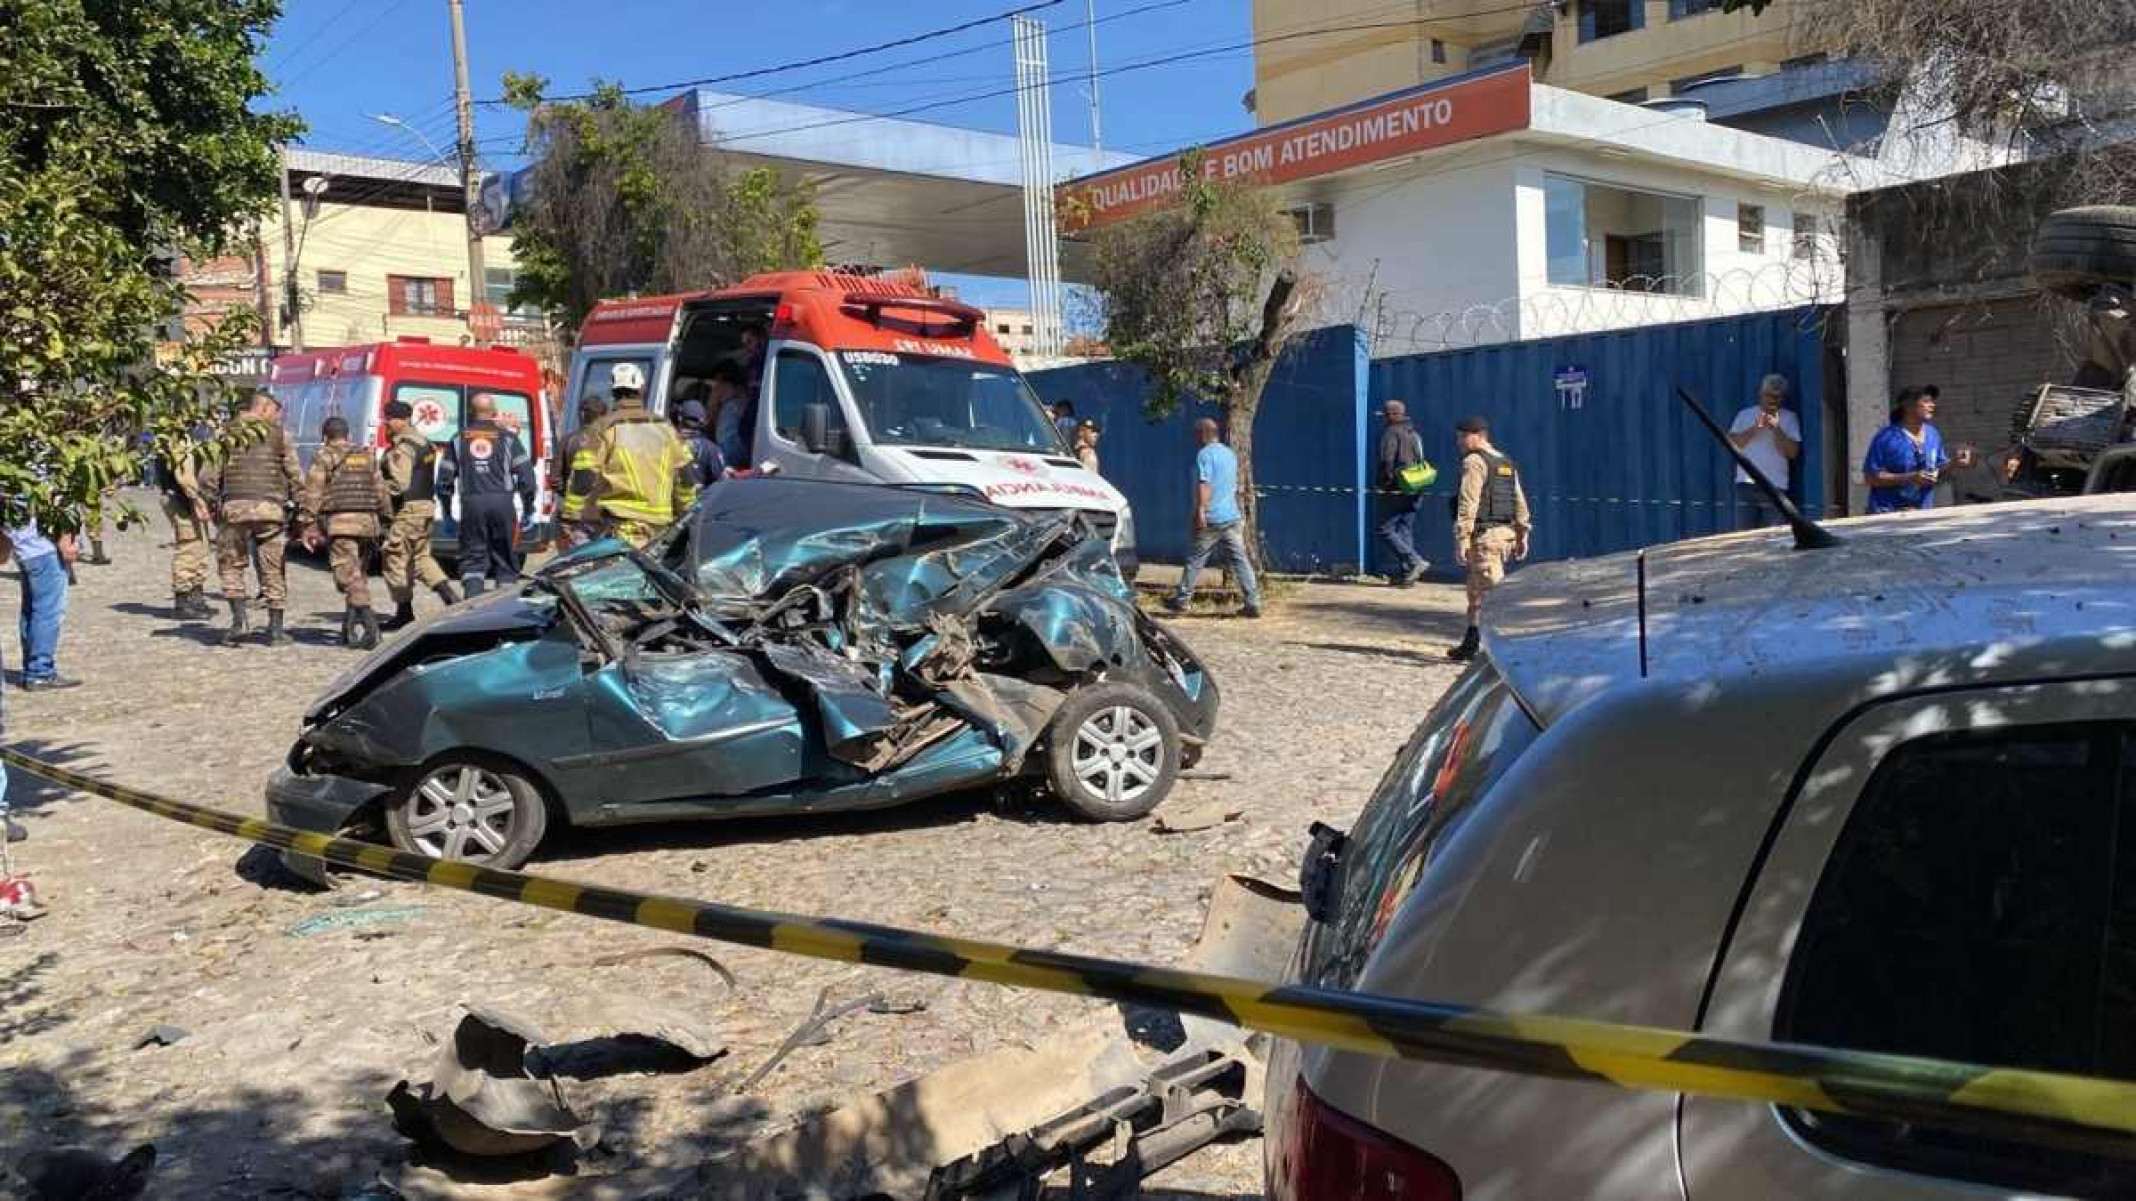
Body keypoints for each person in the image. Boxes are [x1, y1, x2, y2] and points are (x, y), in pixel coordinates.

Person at [561, 361, 700, 547]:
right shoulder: (666, 429)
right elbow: (686, 477)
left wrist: (571, 516)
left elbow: (584, 477)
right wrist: (686, 512)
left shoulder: (602, 429)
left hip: (619, 531)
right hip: (660, 533)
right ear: (642, 390)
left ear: (613, 392)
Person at [206, 390, 303, 646]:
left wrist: (209, 502)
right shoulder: (281, 435)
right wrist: (302, 512)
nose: (276, 416)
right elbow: (294, 475)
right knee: (273, 568)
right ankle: (275, 630)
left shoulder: (225, 434)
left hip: (234, 509)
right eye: (273, 411)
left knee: (231, 566)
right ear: (261, 408)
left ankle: (239, 622)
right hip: (270, 510)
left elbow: (209, 476)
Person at [297, 416, 395, 649]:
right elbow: (381, 490)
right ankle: (348, 629)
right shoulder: (366, 456)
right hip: (368, 524)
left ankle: (371, 628)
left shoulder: (324, 456)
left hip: (342, 523)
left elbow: (313, 491)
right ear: (348, 435)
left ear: (325, 437)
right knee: (357, 576)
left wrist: (306, 522)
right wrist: (387, 518)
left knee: (348, 578)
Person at [1447, 415, 1530, 663]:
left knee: (1494, 593)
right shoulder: (1504, 461)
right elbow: (1519, 499)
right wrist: (1522, 532)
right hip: (1503, 535)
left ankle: (1509, 649)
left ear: (1477, 436)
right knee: (1476, 593)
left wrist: (1461, 537)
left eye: (1462, 437)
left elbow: (1468, 501)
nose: (1459, 442)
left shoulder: (1474, 461)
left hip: (1485, 537)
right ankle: (1471, 644)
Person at [437, 392, 537, 595]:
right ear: (494, 412)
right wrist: (528, 508)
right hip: (503, 503)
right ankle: (503, 612)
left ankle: (471, 610)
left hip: (472, 504)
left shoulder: (458, 439)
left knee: (473, 560)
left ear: (472, 412)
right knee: (505, 559)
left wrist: (447, 514)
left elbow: (444, 481)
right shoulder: (509, 439)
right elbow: (527, 478)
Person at [1163, 418, 1261, 619]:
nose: (1194, 438)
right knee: (1240, 559)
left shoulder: (1205, 455)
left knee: (1195, 560)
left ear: (1202, 434)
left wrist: (1200, 510)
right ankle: (1252, 601)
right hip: (1231, 516)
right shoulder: (1230, 455)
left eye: (1196, 434)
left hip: (1212, 517)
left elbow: (1204, 484)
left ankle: (1182, 600)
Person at [378, 401, 460, 630]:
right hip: (424, 507)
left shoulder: (403, 447)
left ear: (398, 419)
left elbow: (400, 483)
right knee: (421, 557)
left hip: (408, 510)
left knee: (394, 557)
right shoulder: (424, 442)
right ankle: (450, 597)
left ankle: (404, 612)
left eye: (388, 419)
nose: (387, 424)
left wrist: (379, 489)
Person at [6, 516, 78, 690]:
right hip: (43, 548)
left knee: (31, 612)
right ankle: (40, 671)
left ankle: (32, 668)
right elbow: (58, 504)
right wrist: (67, 541)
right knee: (47, 613)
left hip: (23, 549)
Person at [1728, 373, 1803, 530]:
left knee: (1772, 537)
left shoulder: (1789, 418)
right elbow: (1732, 445)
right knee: (1743, 537)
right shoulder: (1745, 415)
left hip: (1775, 485)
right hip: (1746, 484)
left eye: (1778, 397)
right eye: (1769, 395)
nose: (1772, 400)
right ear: (1761, 394)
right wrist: (1756, 427)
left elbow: (1792, 453)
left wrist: (1776, 429)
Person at [1862, 386, 1950, 514]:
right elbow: (1870, 478)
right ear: (1908, 406)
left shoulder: (1933, 434)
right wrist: (1910, 477)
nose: (1932, 405)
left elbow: (1938, 469)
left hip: (1922, 513)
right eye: (1926, 401)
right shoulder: (1887, 437)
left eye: (1932, 401)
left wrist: (1955, 463)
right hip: (1887, 514)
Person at [157, 435, 214, 619]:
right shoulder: (177, 438)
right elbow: (185, 476)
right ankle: (182, 601)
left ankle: (195, 596)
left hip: (183, 498)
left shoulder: (182, 436)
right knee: (190, 547)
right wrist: (196, 499)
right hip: (181, 499)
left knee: (201, 546)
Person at [1375, 399, 1431, 587]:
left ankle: (1415, 561)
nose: (1384, 418)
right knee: (1404, 530)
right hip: (1417, 486)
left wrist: (1384, 484)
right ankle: (1408, 575)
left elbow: (1387, 462)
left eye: (1385, 414)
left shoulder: (1391, 433)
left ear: (1392, 415)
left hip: (1397, 488)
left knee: (1384, 529)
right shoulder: (1414, 433)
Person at [673, 396, 727, 488]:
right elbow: (720, 481)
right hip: (700, 500)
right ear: (703, 421)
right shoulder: (711, 449)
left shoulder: (668, 443)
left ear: (680, 418)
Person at [707, 362, 750, 471]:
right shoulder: (746, 397)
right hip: (744, 449)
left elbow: (710, 412)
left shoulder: (723, 392)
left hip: (727, 447)